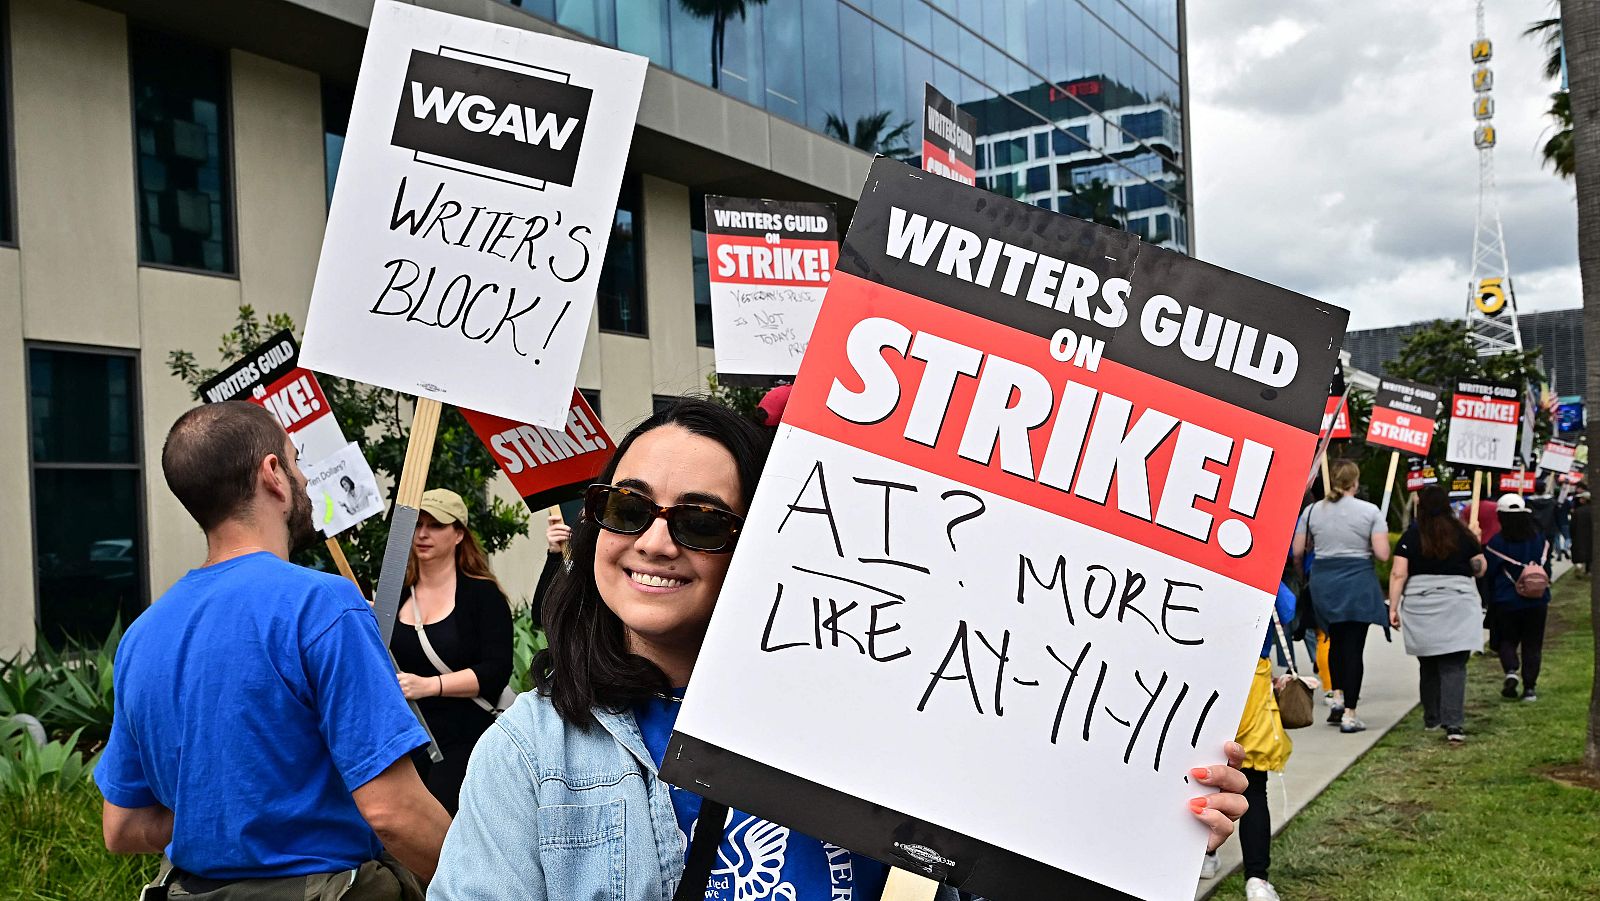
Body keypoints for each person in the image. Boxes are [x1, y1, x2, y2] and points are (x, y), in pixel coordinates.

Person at [429, 398, 1251, 900]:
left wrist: (1131, 833)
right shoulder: (528, 753)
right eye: (627, 506)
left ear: (761, 543)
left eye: (702, 520)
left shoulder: (879, 725)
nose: (654, 540)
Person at [97, 401, 449, 898]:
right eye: (296, 460)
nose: (303, 477)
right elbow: (394, 812)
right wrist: (492, 884)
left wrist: (237, 812)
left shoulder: (140, 637)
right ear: (272, 474)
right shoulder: (322, 605)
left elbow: (123, 826)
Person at [390, 488, 515, 815]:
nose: (423, 534)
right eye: (418, 524)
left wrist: (429, 686)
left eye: (436, 525)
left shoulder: (482, 595)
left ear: (459, 534)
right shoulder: (396, 595)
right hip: (411, 744)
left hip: (468, 742)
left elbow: (496, 671)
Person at [1202, 564, 1297, 901]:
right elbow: (1287, 609)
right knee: (1253, 786)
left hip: (1204, 675)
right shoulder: (1260, 564)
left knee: (1202, 776)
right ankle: (1257, 879)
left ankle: (1204, 855)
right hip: (1251, 685)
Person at [1292, 459, 1391, 734]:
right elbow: (1383, 554)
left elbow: (1298, 552)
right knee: (1354, 648)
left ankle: (1336, 697)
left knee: (1333, 640)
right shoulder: (1369, 511)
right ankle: (1350, 713)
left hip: (1324, 582)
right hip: (1358, 582)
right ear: (1355, 482)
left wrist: (1305, 577)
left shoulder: (1312, 511)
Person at [1387, 486, 1486, 743]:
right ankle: (1453, 724)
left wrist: (1393, 607)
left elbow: (1399, 573)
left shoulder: (1411, 535)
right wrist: (1476, 541)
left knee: (1428, 663)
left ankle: (1432, 718)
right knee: (1454, 665)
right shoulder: (1463, 534)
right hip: (1458, 603)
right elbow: (1479, 569)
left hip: (1421, 605)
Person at [1484, 494, 1553, 703]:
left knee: (1507, 639)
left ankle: (1511, 671)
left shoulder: (1496, 543)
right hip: (1538, 600)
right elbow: (1547, 569)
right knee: (1533, 644)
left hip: (1506, 600)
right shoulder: (1539, 540)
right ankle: (1529, 689)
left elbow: (1488, 573)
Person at [1572, 491, 1592, 576]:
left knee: (1581, 552)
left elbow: (1572, 526)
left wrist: (1572, 535)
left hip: (1580, 535)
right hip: (1591, 535)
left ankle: (1580, 568)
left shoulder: (1578, 511)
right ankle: (1588, 570)